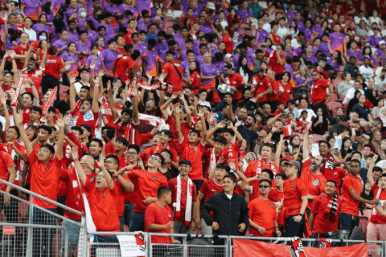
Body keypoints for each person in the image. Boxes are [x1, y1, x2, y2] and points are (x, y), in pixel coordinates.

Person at [126, 153, 168, 231]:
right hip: (138, 211)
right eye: (151, 157)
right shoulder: (139, 172)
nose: (151, 159)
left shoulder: (162, 178)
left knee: (150, 238)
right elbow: (121, 174)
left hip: (153, 212)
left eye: (155, 159)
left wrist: (154, 200)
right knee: (134, 238)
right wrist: (125, 168)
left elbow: (167, 198)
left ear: (159, 164)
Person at [201, 174, 249, 238]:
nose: (225, 184)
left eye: (228, 182)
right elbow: (204, 208)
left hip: (236, 236)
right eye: (224, 182)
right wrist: (211, 222)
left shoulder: (240, 199)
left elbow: (245, 213)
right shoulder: (216, 197)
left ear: (234, 184)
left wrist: (244, 223)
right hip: (219, 236)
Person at [340, 159, 378, 237]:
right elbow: (354, 196)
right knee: (346, 236)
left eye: (356, 166)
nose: (354, 168)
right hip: (346, 211)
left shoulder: (359, 179)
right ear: (349, 167)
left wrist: (363, 203)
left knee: (353, 236)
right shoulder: (347, 178)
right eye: (352, 166)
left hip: (355, 211)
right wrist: (370, 202)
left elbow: (358, 194)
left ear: (359, 168)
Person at [278, 160, 308, 237]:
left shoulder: (299, 182)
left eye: (290, 167)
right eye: (287, 166)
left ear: (296, 170)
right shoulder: (285, 182)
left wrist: (300, 215)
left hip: (296, 213)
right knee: (294, 239)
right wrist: (278, 208)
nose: (287, 168)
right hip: (287, 214)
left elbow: (305, 200)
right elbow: (286, 198)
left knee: (290, 239)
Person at [168, 160, 198, 234]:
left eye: (186, 166)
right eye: (181, 166)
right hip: (173, 218)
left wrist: (193, 219)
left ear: (190, 169)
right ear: (178, 168)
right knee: (173, 241)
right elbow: (166, 199)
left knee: (185, 243)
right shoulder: (172, 182)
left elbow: (194, 202)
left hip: (187, 219)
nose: (183, 168)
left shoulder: (192, 185)